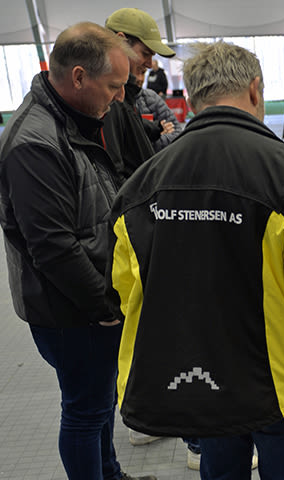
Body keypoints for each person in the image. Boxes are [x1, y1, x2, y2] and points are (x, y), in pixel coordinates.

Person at [108, 41, 284, 480]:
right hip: (278, 380)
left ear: (191, 98)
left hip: (197, 379)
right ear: (254, 89)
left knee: (220, 468)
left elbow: (124, 289)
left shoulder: (143, 183)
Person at [0, 22, 154, 480]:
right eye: (113, 86)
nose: (119, 97)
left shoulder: (76, 120)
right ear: (80, 77)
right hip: (70, 311)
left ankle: (110, 473)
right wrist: (102, 306)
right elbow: (51, 246)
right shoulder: (35, 143)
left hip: (90, 302)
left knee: (100, 400)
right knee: (85, 412)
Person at [103, 7, 176, 179]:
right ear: (120, 43)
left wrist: (154, 129)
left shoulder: (127, 96)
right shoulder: (107, 101)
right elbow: (114, 175)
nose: (150, 64)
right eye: (145, 54)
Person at [133, 69, 181, 152]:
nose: (140, 79)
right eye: (136, 73)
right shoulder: (115, 103)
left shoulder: (151, 97)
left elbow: (178, 134)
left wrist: (151, 139)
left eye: (143, 73)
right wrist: (158, 134)